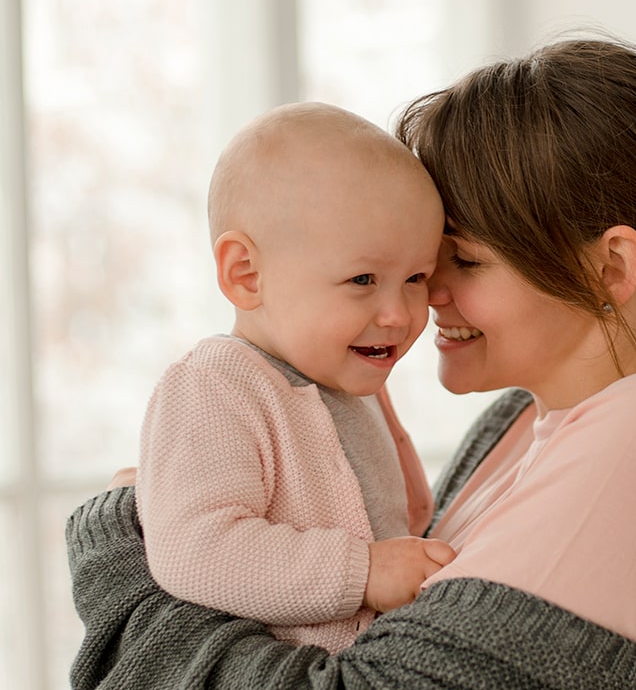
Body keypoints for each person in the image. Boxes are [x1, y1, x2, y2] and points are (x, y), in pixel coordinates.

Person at [66, 37, 636, 690]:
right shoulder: (511, 429)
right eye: (419, 264)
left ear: (610, 266)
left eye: (462, 260)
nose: (424, 298)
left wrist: (122, 557)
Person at [133, 101, 456, 656]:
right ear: (246, 274)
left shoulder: (347, 379)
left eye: (416, 278)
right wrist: (363, 571)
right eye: (362, 278)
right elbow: (195, 550)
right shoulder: (213, 387)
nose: (400, 314)